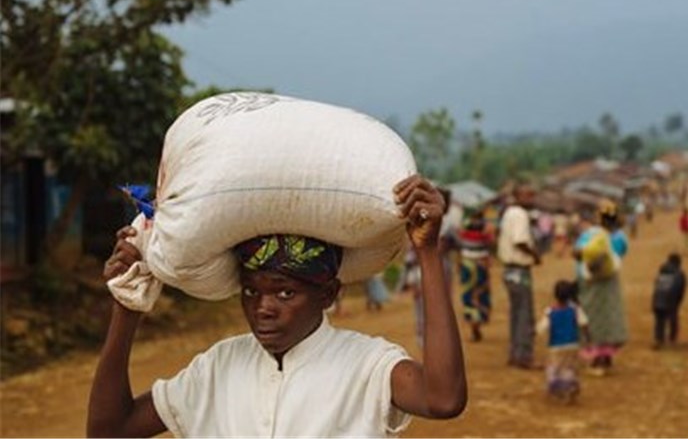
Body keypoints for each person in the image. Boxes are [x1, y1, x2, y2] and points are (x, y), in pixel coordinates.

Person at [87, 175, 467, 438]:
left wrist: (428, 252)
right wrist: (127, 305)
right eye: (251, 292)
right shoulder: (217, 367)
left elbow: (443, 398)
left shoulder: (367, 366)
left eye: (285, 293)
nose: (263, 308)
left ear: (329, 294)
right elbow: (109, 431)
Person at [572, 200, 628, 377]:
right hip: (609, 281)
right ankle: (607, 357)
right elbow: (620, 253)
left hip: (589, 282)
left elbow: (577, 254)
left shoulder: (590, 234)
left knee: (592, 319)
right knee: (609, 318)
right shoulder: (620, 237)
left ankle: (596, 358)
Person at [497, 183, 541, 370]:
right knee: (524, 315)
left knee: (517, 314)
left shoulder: (509, 212)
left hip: (509, 271)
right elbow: (520, 241)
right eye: (528, 195)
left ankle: (515, 354)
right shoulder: (520, 214)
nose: (532, 199)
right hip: (519, 270)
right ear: (518, 196)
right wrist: (535, 255)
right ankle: (523, 356)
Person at [536, 280, 590, 404]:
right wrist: (587, 340)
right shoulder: (575, 309)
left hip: (556, 346)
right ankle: (571, 385)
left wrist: (533, 333)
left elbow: (541, 327)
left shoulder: (550, 311)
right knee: (570, 367)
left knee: (555, 368)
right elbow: (584, 324)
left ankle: (558, 390)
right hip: (573, 344)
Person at [457, 210, 493, 342]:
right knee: (480, 294)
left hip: (466, 265)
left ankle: (473, 324)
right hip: (481, 265)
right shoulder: (486, 227)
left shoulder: (464, 226)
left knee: (468, 295)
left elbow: (460, 241)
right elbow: (490, 242)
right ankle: (478, 323)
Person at [651, 252, 687, 349]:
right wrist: (677, 303)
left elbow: (656, 287)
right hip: (670, 301)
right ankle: (672, 339)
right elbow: (680, 290)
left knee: (659, 321)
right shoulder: (680, 274)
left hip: (657, 300)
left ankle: (659, 339)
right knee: (673, 319)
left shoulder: (661, 272)